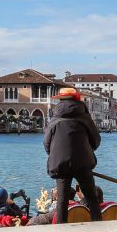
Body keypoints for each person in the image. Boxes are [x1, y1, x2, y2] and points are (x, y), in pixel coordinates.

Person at [43, 88, 102, 223]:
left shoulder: (55, 117)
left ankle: (61, 231)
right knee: (91, 198)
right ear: (77, 99)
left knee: (62, 200)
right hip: (83, 163)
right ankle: (99, 229)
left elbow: (46, 143)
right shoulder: (85, 117)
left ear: (61, 100)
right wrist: (86, 151)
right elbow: (96, 140)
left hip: (61, 164)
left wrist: (57, 155)